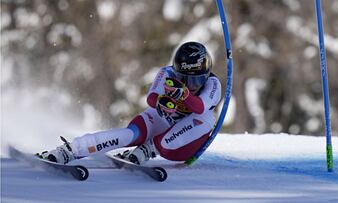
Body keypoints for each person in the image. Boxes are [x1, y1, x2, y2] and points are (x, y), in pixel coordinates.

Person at [38, 41, 222, 165]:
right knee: (128, 135)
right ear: (176, 72)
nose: (191, 85)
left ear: (205, 76)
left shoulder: (213, 84)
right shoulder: (167, 74)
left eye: (196, 81)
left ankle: (149, 149)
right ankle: (70, 150)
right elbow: (151, 100)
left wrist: (183, 94)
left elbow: (200, 107)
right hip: (163, 120)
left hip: (183, 144)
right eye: (184, 79)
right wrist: (161, 101)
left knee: (205, 118)